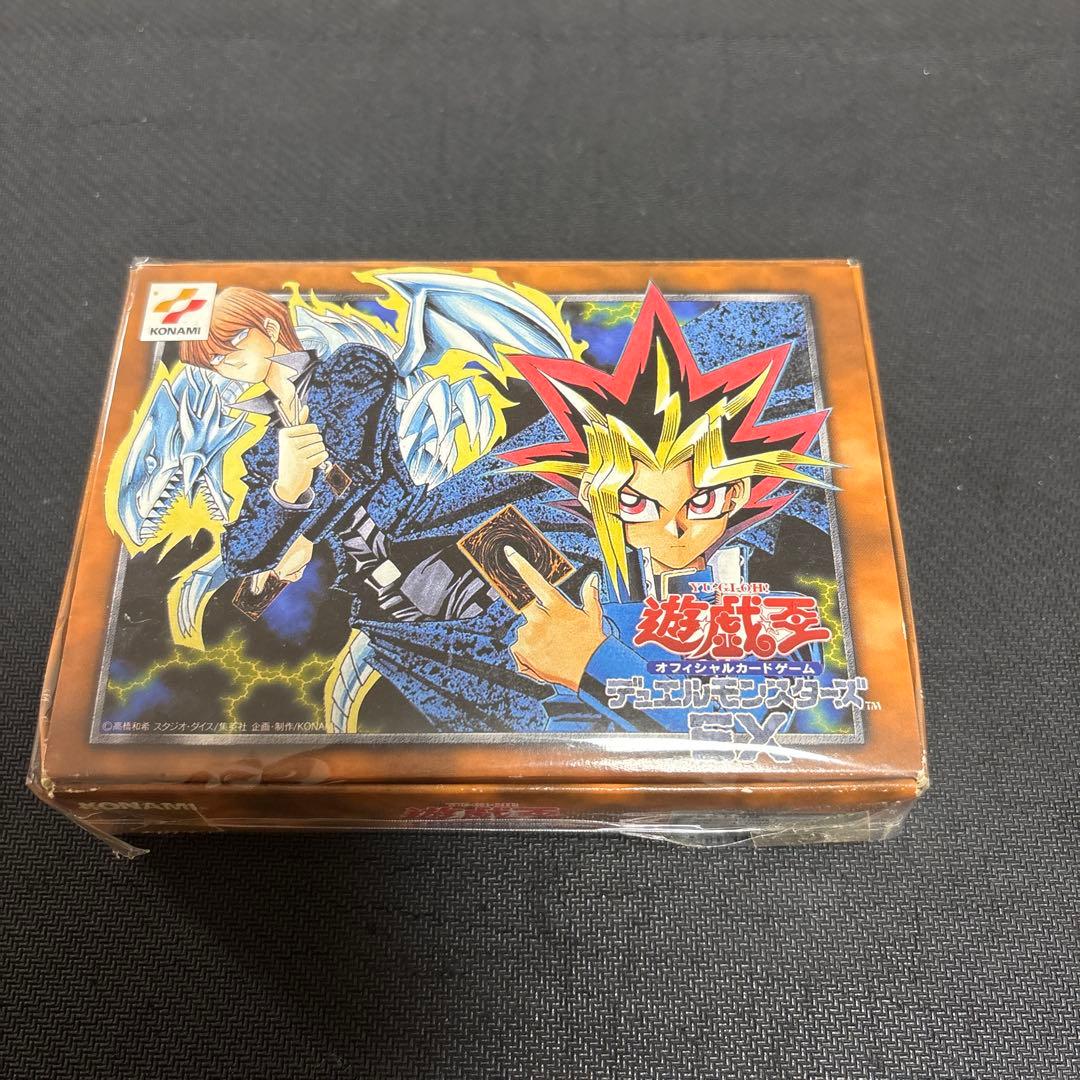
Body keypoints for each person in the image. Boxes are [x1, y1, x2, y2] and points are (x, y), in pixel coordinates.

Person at [500, 285, 837, 732]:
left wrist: (591, 662)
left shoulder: (777, 616)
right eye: (636, 502)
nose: (674, 528)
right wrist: (564, 658)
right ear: (596, 499)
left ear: (735, 493)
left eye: (700, 500)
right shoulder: (593, 616)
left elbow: (737, 737)